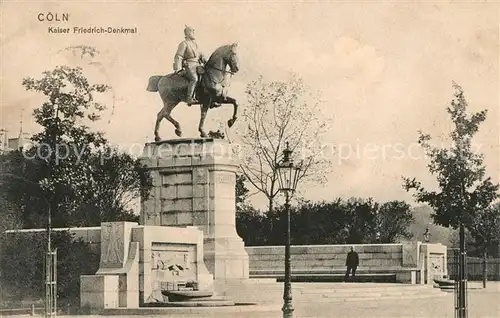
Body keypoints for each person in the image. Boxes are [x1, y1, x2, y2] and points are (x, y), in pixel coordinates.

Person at [173, 25, 205, 106]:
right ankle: (189, 98)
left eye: (194, 31)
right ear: (187, 33)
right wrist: (178, 68)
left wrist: (206, 61)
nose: (194, 33)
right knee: (194, 79)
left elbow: (201, 55)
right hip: (189, 65)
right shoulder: (184, 44)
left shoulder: (195, 44)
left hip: (198, 65)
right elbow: (179, 56)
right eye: (192, 31)